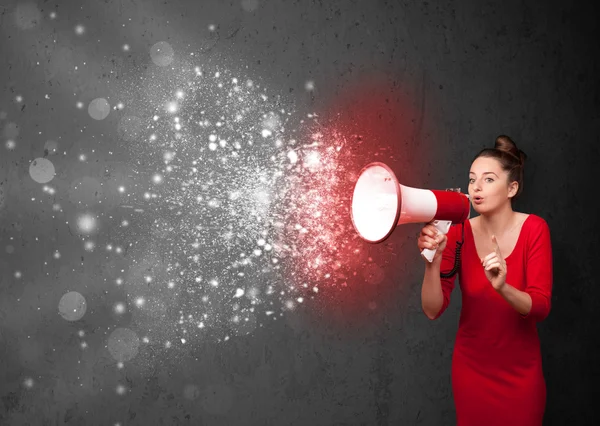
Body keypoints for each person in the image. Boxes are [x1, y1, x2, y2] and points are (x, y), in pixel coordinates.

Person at [417, 135, 553, 426]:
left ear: (512, 188)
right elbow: (432, 309)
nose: (476, 188)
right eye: (471, 179)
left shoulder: (535, 229)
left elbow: (540, 307)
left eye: (489, 180)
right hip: (471, 371)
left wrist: (503, 287)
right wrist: (433, 261)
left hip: (521, 374)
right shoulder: (457, 233)